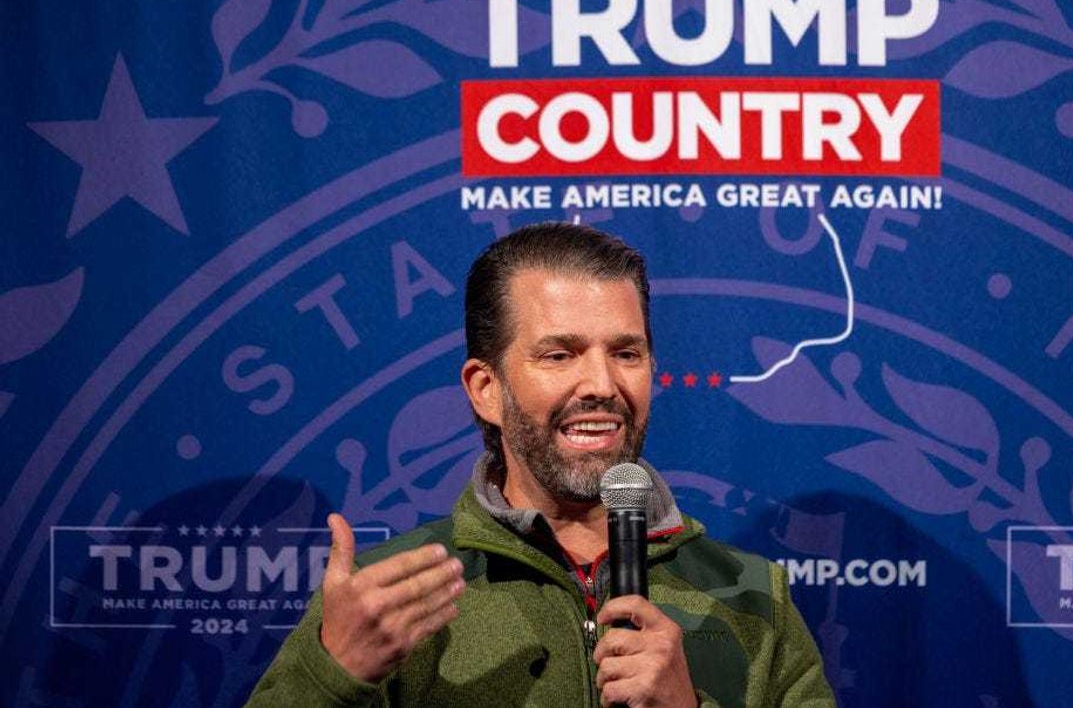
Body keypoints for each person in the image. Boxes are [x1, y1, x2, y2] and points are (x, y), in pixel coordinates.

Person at [247, 222, 834, 707]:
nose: (601, 383)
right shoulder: (391, 600)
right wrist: (333, 677)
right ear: (486, 390)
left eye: (626, 353)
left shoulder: (755, 599)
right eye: (559, 355)